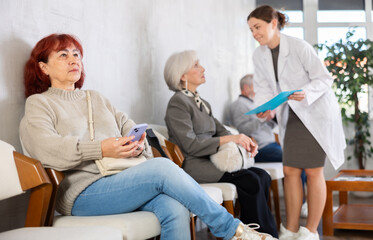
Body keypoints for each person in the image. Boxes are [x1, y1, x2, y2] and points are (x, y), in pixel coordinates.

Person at [19, 33, 277, 240]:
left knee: (173, 207)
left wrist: (136, 144)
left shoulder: (95, 98)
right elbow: (45, 148)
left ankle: (234, 231)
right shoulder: (39, 104)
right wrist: (101, 149)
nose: (73, 59)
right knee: (162, 168)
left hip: (124, 180)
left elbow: (129, 125)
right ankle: (232, 230)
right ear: (43, 67)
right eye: (63, 55)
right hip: (82, 192)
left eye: (76, 54)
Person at [247, 5, 346, 240]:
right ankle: (289, 230)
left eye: (257, 27)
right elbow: (262, 89)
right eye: (251, 30)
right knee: (290, 170)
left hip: (314, 112)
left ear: (273, 23)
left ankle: (310, 232)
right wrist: (265, 109)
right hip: (290, 115)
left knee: (313, 172)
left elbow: (324, 78)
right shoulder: (258, 55)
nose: (254, 34)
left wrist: (306, 92)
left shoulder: (299, 47)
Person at [164, 50, 278, 238]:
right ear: (182, 75)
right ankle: (257, 235)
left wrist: (244, 140)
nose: (203, 69)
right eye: (196, 65)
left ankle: (264, 233)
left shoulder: (201, 102)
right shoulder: (178, 103)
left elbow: (221, 130)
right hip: (194, 164)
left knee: (262, 176)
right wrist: (230, 139)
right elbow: (190, 145)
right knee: (251, 180)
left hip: (211, 160)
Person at [227, 74, 281, 163]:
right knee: (295, 159)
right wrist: (262, 119)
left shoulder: (254, 104)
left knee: (299, 157)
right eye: (256, 86)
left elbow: (264, 128)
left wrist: (272, 118)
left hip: (272, 144)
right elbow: (244, 130)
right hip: (262, 148)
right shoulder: (239, 105)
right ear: (246, 87)